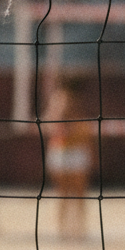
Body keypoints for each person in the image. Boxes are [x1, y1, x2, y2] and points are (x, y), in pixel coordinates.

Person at [43, 75, 96, 239]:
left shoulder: (76, 101)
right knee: (66, 192)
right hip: (62, 150)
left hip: (75, 150)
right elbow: (49, 125)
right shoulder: (57, 100)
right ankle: (65, 228)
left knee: (74, 192)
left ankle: (76, 228)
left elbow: (85, 129)